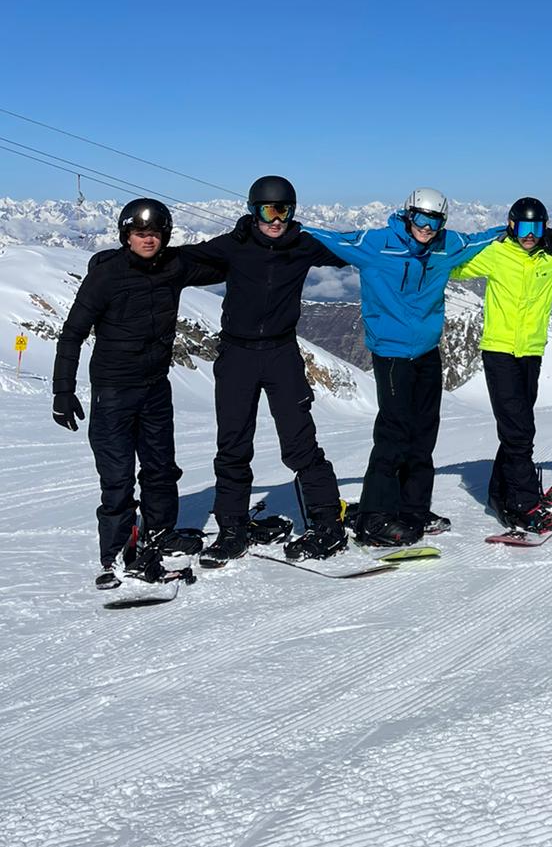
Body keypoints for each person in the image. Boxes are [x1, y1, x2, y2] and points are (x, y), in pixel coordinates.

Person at [306, 189, 503, 545]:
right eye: (421, 218)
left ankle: (413, 509)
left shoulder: (446, 245)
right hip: (392, 354)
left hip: (427, 352)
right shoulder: (376, 243)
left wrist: (515, 228)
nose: (426, 228)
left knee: (424, 432)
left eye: (435, 221)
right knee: (394, 433)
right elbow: (326, 238)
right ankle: (374, 517)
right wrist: (278, 222)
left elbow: (478, 240)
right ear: (408, 214)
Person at [177, 176, 355, 564]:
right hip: (237, 356)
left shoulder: (303, 245)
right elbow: (181, 259)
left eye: (284, 211)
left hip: (281, 354)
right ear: (253, 210)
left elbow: (357, 251)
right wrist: (118, 263)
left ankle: (327, 522)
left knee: (299, 442)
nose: (276, 220)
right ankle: (232, 529)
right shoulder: (233, 245)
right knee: (233, 445)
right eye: (268, 211)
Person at [52, 199, 226, 589]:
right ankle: (116, 551)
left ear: (165, 235)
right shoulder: (106, 276)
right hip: (113, 390)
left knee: (161, 467)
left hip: (155, 387)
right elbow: (72, 333)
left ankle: (160, 532)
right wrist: (63, 390)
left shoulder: (174, 266)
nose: (148, 240)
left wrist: (252, 238)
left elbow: (219, 263)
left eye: (155, 233)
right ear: (126, 236)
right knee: (117, 476)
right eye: (140, 233)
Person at [449, 198, 552, 532]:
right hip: (499, 352)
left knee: (516, 427)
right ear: (511, 226)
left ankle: (500, 495)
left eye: (537, 228)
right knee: (520, 431)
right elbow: (455, 268)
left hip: (531, 353)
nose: (530, 234)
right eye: (524, 227)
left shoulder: (550, 261)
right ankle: (523, 503)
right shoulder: (496, 254)